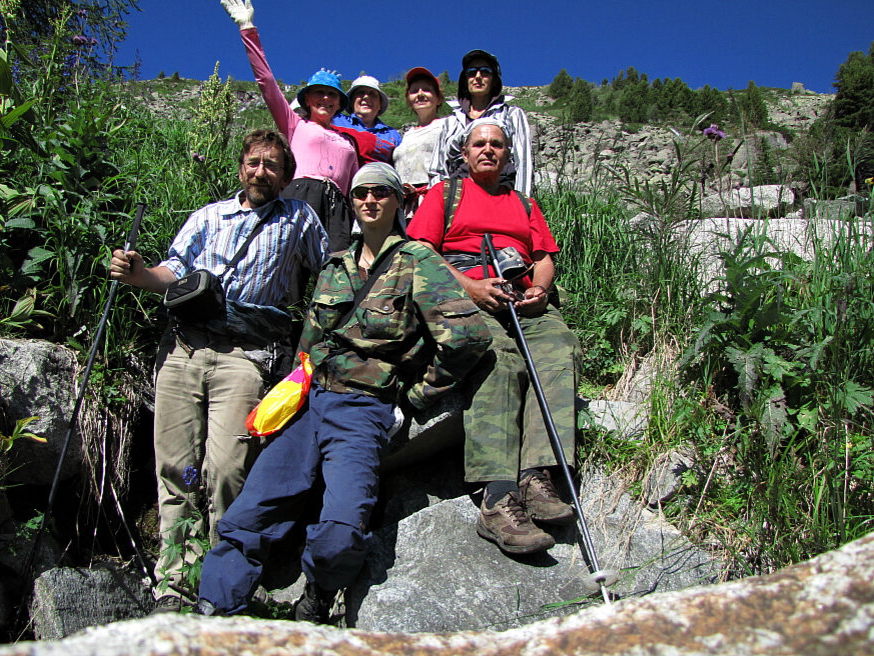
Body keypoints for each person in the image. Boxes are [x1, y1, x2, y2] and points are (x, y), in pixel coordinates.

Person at [197, 162, 491, 623]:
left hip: (363, 407)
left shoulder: (419, 262)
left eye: (380, 192)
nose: (369, 200)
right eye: (360, 194)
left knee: (340, 529)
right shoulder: (335, 265)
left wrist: (415, 399)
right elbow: (308, 344)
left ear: (399, 201)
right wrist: (290, 395)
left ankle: (317, 594)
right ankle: (217, 608)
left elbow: (468, 338)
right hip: (309, 404)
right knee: (250, 513)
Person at [109, 129, 328, 611]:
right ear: (241, 167)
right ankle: (173, 582)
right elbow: (174, 270)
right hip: (183, 348)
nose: (261, 171)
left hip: (246, 356)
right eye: (254, 162)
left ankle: (218, 577)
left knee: (227, 469)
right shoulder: (208, 216)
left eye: (272, 165)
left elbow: (328, 273)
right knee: (174, 467)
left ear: (286, 175)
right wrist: (139, 275)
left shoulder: (299, 218)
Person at [409, 119, 576, 556]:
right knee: (499, 359)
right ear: (464, 154)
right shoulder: (444, 195)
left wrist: (540, 289)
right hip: (468, 292)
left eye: (497, 144)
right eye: (479, 144)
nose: (488, 150)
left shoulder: (523, 203)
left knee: (558, 347)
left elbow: (542, 257)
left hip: (521, 296)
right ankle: (497, 496)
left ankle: (537, 473)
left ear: (507, 155)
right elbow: (422, 251)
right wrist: (471, 288)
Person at [221, 0, 358, 251]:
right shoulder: (295, 124)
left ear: (340, 102)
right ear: (306, 99)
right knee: (290, 267)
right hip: (300, 194)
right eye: (319, 92)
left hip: (338, 207)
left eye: (332, 94)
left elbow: (354, 187)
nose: (325, 98)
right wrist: (247, 27)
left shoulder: (349, 142)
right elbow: (266, 82)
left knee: (338, 272)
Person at [428, 49, 533, 196]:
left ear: (494, 78)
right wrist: (442, 203)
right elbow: (438, 169)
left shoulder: (512, 115)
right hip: (458, 195)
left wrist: (523, 204)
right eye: (472, 72)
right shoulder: (450, 123)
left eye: (485, 71)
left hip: (501, 192)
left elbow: (523, 163)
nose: (478, 77)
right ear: (465, 79)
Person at [392, 67, 445, 217]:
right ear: (409, 100)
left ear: (439, 98)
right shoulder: (406, 135)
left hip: (430, 199)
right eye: (414, 91)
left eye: (427, 90)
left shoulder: (447, 126)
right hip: (403, 205)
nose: (420, 94)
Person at [332, 76, 402, 165]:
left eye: (372, 93)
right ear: (351, 101)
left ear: (380, 104)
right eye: (360, 93)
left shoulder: (393, 134)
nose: (366, 97)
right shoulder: (334, 120)